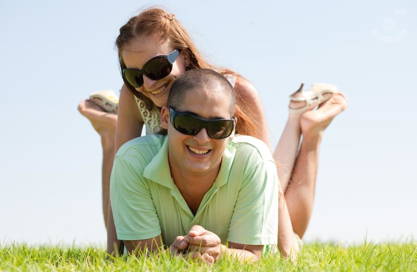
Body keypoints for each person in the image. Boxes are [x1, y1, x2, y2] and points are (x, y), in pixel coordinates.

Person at [77, 7, 347, 255]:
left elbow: (268, 177)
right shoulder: (135, 96)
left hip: (232, 189)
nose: (148, 83)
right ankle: (107, 134)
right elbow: (120, 180)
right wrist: (113, 253)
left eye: (157, 67)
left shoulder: (233, 91)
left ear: (182, 55)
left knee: (287, 224)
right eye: (134, 75)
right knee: (122, 164)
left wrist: (287, 249)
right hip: (173, 194)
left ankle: (305, 124)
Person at [111, 68, 285, 263]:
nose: (202, 138)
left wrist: (217, 252)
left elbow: (253, 257)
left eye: (218, 127)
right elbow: (142, 259)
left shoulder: (254, 159)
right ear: (166, 118)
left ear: (232, 128)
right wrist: (175, 257)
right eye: (189, 122)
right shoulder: (132, 161)